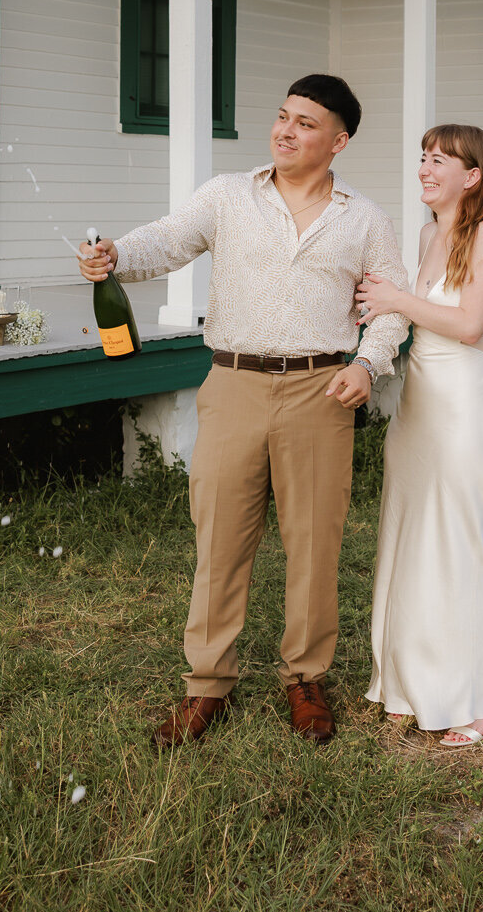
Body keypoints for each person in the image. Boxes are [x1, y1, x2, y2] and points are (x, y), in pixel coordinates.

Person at [77, 75, 410, 750]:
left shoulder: (366, 218)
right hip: (232, 384)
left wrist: (367, 365)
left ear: (338, 141)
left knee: (315, 544)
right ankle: (206, 686)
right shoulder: (229, 195)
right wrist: (116, 256)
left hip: (320, 391)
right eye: (283, 117)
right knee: (220, 539)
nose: (286, 131)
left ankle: (305, 680)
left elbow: (391, 305)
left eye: (306, 123)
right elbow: (168, 241)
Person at [356, 124, 483, 748]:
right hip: (418, 400)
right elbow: (411, 314)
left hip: (465, 403)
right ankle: (407, 681)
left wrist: (396, 295)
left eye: (439, 159)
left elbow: (470, 325)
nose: (424, 168)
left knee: (457, 542)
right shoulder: (427, 234)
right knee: (409, 534)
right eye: (422, 157)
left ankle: (473, 698)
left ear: (472, 175)